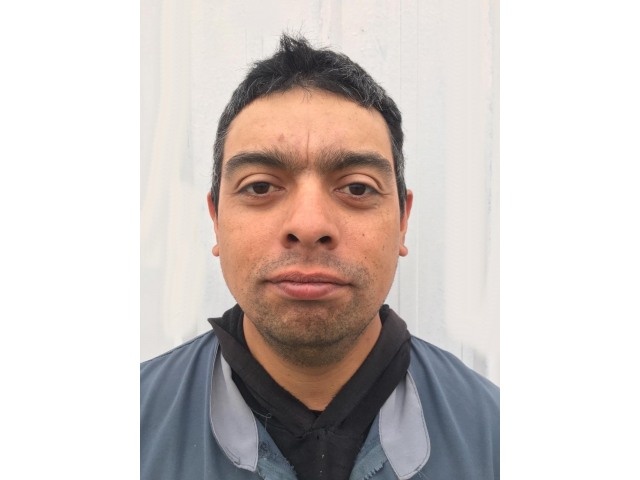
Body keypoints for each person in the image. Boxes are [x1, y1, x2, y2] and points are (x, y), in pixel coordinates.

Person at [141, 34, 499, 480]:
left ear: (403, 220)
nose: (309, 225)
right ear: (215, 219)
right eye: (260, 186)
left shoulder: (494, 436)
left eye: (357, 188)